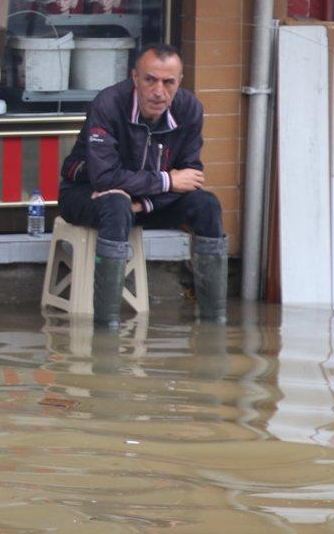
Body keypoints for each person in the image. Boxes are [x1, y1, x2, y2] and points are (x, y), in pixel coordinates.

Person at [58, 44, 228, 326]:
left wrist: (147, 201)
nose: (158, 91)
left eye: (168, 82)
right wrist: (166, 180)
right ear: (134, 78)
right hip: (87, 194)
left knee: (206, 204)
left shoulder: (190, 109)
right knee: (116, 204)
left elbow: (191, 177)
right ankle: (106, 330)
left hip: (148, 201)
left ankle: (214, 323)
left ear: (179, 82)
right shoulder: (108, 103)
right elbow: (104, 177)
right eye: (150, 80)